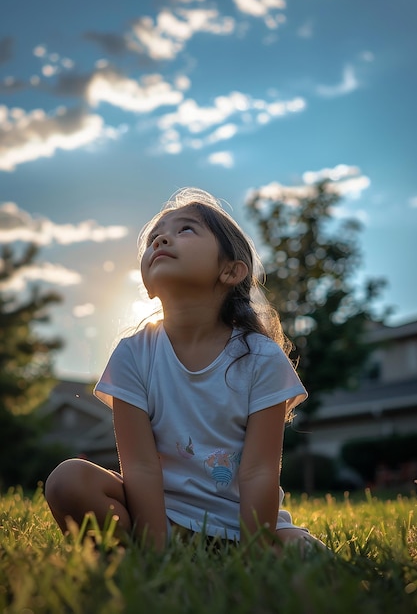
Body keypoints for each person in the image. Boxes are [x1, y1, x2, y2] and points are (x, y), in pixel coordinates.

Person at [45, 187, 325, 553]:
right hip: (158, 518)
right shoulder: (133, 355)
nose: (161, 238)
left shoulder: (260, 358)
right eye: (154, 238)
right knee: (68, 480)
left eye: (186, 229)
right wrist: (158, 553)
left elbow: (259, 472)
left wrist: (255, 548)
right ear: (146, 283)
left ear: (231, 271)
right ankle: (135, 557)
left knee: (308, 554)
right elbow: (140, 467)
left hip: (239, 526)